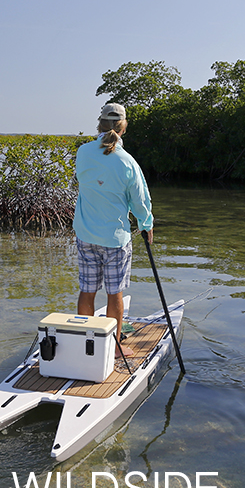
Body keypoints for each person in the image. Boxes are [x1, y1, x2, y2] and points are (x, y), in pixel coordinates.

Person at [73, 102, 154, 358]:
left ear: (99, 124)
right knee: (114, 292)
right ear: (123, 127)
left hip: (85, 235)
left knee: (87, 290)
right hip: (115, 239)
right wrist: (146, 224)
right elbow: (140, 200)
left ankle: (86, 343)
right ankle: (116, 347)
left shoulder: (82, 153)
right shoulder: (128, 161)